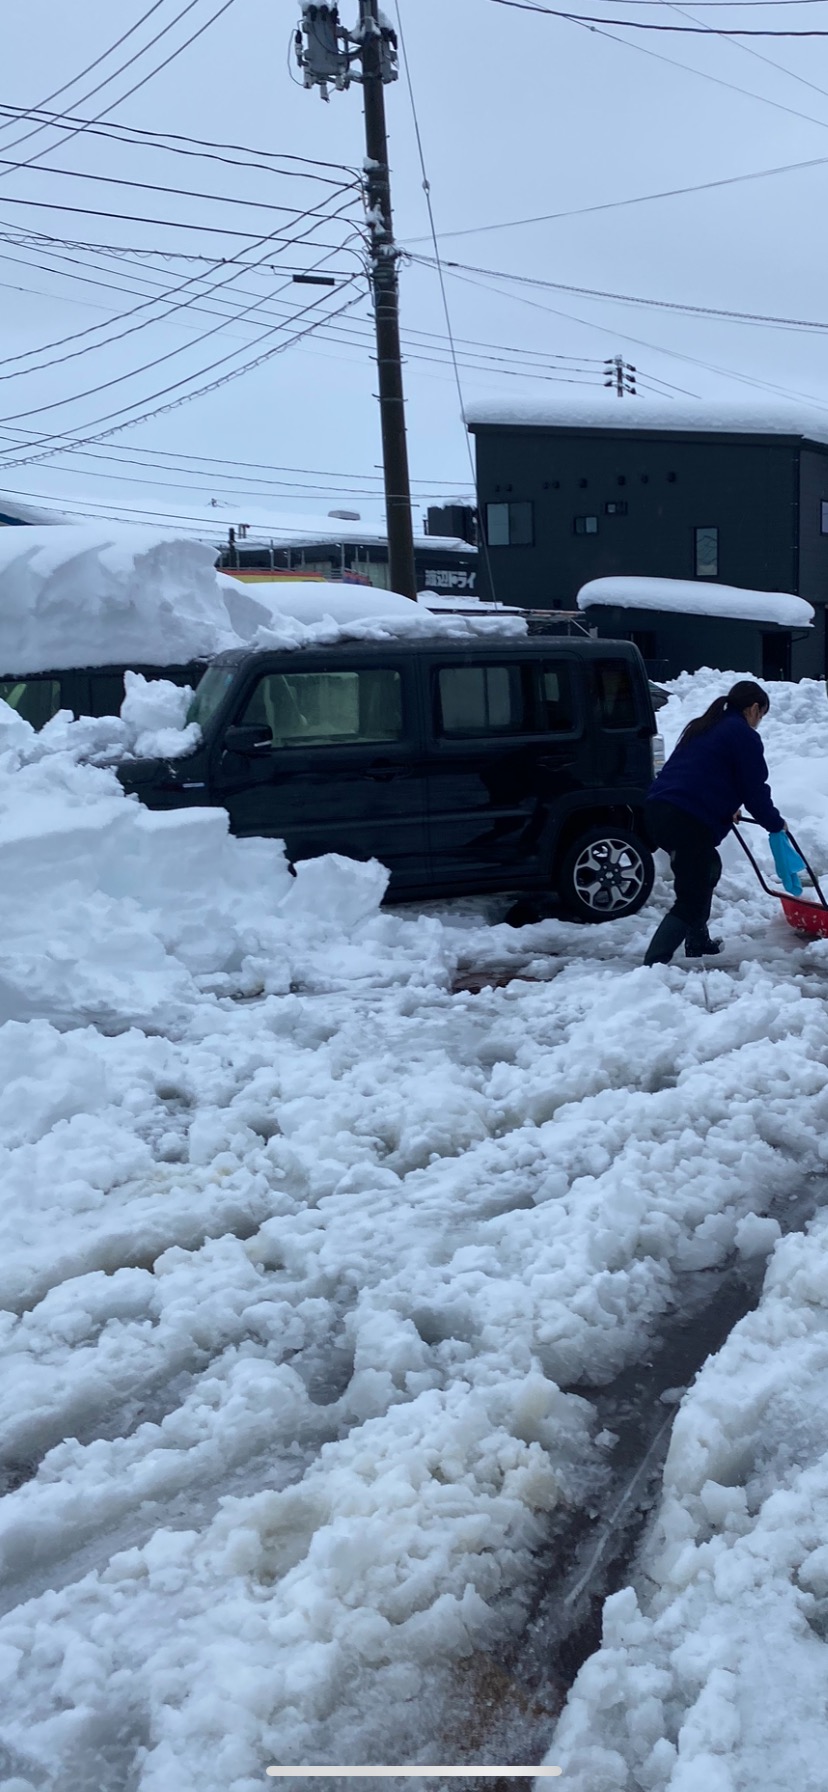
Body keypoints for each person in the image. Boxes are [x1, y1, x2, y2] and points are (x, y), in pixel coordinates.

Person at [644, 679, 785, 965]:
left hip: (659, 809)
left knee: (709, 866)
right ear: (754, 708)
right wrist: (775, 823)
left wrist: (726, 807)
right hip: (686, 819)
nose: (759, 722)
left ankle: (698, 940)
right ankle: (652, 966)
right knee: (690, 897)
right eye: (762, 715)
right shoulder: (742, 734)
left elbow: (702, 774)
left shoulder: (706, 726)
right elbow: (754, 790)